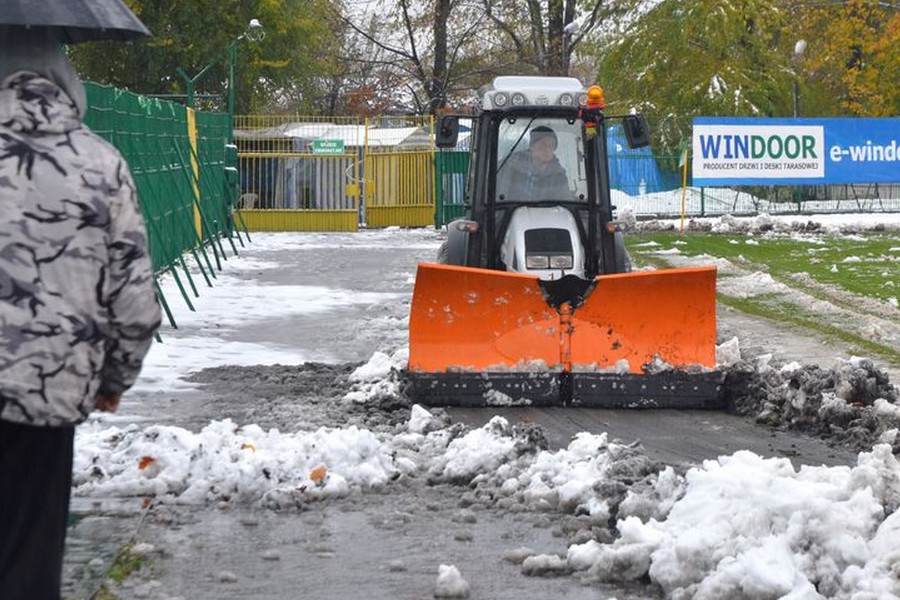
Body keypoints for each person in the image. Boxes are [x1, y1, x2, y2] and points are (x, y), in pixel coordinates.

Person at [0, 27, 161, 600]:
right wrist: (112, 380)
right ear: (65, 85)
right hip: (45, 392)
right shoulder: (99, 164)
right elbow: (137, 304)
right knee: (26, 563)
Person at [496, 125, 572, 201]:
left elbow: (565, 201)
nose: (548, 149)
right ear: (532, 146)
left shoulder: (558, 175)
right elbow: (494, 192)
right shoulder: (508, 166)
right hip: (510, 211)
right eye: (543, 144)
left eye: (552, 145)